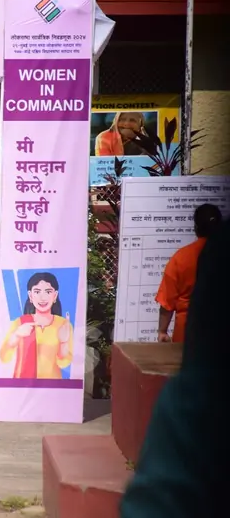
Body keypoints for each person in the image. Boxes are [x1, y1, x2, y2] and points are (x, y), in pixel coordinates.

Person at [118, 218, 228, 518]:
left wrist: (161, 330)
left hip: (195, 333)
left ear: (195, 226)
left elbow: (167, 299)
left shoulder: (186, 255)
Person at [155, 203, 222, 343]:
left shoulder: (181, 257)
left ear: (196, 228)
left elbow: (167, 302)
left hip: (188, 334)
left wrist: (162, 331)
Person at [0, 272, 73, 379]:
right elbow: (4, 358)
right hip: (23, 385)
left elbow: (64, 364)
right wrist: (16, 336)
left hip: (53, 384)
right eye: (37, 292)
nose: (42, 297)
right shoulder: (20, 323)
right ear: (30, 295)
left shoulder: (63, 325)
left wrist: (63, 342)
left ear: (55, 295)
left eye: (48, 292)